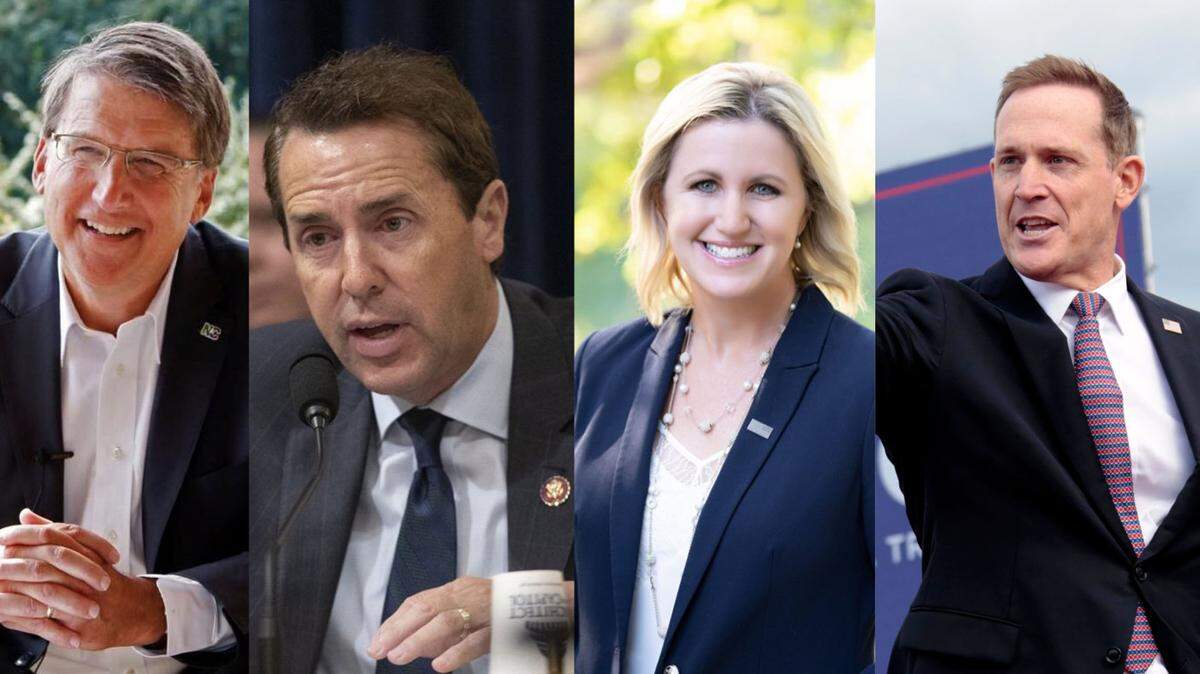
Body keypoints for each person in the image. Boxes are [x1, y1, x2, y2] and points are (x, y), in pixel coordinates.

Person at [248, 47, 574, 674]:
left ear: (488, 220)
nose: (356, 279)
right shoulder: (265, 389)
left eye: (393, 224)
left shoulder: (605, 379)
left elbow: (693, 603)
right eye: (318, 238)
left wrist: (528, 613)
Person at [877, 55, 1199, 674]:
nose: (1026, 184)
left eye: (1057, 160)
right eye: (1008, 161)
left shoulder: (1192, 344)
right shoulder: (935, 319)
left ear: (1124, 180)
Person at [574, 62, 874, 673]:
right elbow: (562, 592)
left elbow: (913, 618)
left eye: (763, 188)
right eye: (705, 185)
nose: (732, 219)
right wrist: (493, 621)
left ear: (806, 209)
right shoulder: (600, 366)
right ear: (662, 200)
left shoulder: (870, 380)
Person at [0, 22, 248, 673]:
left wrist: (160, 611)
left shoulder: (278, 314)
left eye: (152, 163)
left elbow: (324, 543)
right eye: (85, 150)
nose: (111, 193)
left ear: (202, 192)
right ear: (43, 162)